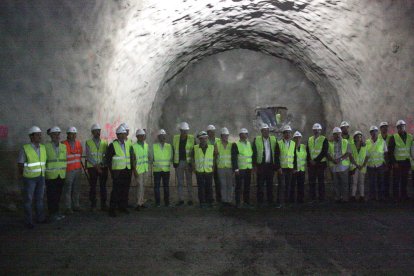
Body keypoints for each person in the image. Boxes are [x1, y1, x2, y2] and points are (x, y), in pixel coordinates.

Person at [17, 126, 47, 229]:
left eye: (40, 134)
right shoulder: (25, 148)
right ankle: (28, 221)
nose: (39, 136)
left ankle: (40, 218)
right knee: (28, 200)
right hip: (29, 179)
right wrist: (24, 175)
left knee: (40, 199)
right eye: (37, 135)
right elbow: (20, 164)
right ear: (31, 137)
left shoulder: (43, 147)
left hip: (41, 177)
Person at [105, 125, 133, 217]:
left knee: (125, 190)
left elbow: (131, 157)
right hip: (117, 172)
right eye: (120, 134)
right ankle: (112, 209)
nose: (122, 136)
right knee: (116, 191)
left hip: (127, 170)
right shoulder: (112, 145)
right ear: (117, 135)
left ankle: (123, 207)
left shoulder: (128, 144)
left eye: (124, 134)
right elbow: (108, 160)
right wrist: (112, 172)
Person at [45, 126, 67, 221]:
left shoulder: (63, 146)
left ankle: (57, 212)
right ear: (50, 135)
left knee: (58, 195)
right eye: (54, 134)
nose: (57, 136)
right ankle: (52, 213)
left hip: (61, 175)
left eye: (58, 134)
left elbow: (64, 160)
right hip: (50, 175)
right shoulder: (46, 147)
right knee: (51, 196)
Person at [85, 123, 108, 211]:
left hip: (103, 167)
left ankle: (103, 204)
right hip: (93, 168)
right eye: (95, 131)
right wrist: (97, 166)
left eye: (99, 131)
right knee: (93, 186)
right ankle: (93, 204)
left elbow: (106, 155)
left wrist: (101, 164)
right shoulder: (88, 142)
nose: (98, 133)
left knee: (103, 186)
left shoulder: (104, 142)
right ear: (92, 132)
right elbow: (89, 156)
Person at [252, 123, 276, 207]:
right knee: (260, 184)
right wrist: (254, 165)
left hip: (270, 166)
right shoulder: (257, 139)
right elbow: (254, 153)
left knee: (270, 184)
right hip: (261, 166)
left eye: (267, 130)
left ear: (269, 131)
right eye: (264, 131)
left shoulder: (273, 139)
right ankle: (260, 201)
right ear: (261, 131)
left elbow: (276, 152)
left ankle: (270, 201)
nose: (266, 132)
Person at [388, 120, 412, 202]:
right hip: (397, 163)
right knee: (396, 180)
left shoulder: (410, 137)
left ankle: (404, 195)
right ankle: (396, 196)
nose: (401, 128)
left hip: (406, 162)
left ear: (405, 127)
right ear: (397, 128)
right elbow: (390, 152)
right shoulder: (393, 137)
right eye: (399, 127)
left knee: (404, 180)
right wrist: (394, 162)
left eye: (403, 126)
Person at [173, 122, 195, 206]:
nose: (185, 132)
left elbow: (195, 151)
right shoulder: (175, 138)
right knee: (180, 182)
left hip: (188, 163)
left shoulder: (192, 138)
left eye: (186, 131)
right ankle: (181, 199)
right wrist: (174, 162)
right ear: (180, 130)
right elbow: (173, 150)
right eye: (183, 131)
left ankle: (190, 199)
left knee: (189, 182)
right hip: (179, 163)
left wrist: (192, 164)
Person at [327, 127, 351, 203]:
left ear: (341, 134)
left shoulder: (346, 142)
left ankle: (345, 198)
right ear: (333, 135)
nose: (337, 135)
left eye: (338, 134)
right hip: (334, 166)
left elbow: (348, 153)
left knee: (344, 183)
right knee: (336, 183)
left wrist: (340, 159)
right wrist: (332, 160)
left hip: (343, 166)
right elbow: (327, 153)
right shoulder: (330, 143)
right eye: (335, 134)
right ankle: (337, 198)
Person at [63, 126, 83, 214]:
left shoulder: (78, 143)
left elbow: (80, 155)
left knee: (76, 188)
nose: (74, 135)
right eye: (72, 134)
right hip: (68, 170)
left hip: (77, 169)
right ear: (68, 134)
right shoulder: (63, 144)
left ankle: (76, 205)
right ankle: (67, 207)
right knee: (68, 189)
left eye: (75, 134)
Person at [275, 125, 297, 205]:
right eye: (286, 133)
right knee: (281, 185)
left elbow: (294, 156)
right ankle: (280, 202)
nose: (287, 134)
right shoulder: (279, 143)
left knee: (288, 185)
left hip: (290, 168)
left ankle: (286, 202)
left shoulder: (293, 144)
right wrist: (278, 167)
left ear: (291, 134)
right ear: (283, 134)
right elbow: (276, 157)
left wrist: (295, 167)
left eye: (289, 133)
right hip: (282, 169)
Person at [307, 123, 329, 202]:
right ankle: (312, 197)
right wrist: (309, 160)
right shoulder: (310, 139)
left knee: (321, 182)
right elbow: (308, 151)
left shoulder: (324, 139)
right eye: (315, 130)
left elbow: (324, 152)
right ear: (313, 130)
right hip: (312, 164)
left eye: (318, 130)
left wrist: (315, 161)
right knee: (311, 182)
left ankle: (321, 198)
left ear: (320, 130)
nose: (316, 131)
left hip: (320, 164)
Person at [232, 128, 253, 208]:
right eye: (242, 134)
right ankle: (238, 202)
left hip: (248, 168)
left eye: (245, 134)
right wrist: (236, 168)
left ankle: (246, 202)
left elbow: (250, 155)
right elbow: (234, 158)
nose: (244, 135)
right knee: (239, 186)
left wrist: (252, 166)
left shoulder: (249, 144)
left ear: (247, 135)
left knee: (247, 186)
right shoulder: (236, 144)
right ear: (240, 135)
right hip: (240, 169)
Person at [192, 131, 214, 208]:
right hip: (199, 171)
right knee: (201, 187)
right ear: (199, 139)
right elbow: (192, 158)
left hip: (208, 170)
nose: (204, 140)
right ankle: (202, 202)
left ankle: (209, 201)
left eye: (205, 138)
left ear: (207, 138)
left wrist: (213, 167)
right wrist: (194, 168)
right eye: (202, 138)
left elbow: (214, 158)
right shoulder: (195, 148)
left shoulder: (212, 147)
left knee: (209, 187)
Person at [151, 129, 172, 207]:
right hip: (157, 170)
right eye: (161, 136)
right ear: (158, 137)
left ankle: (167, 202)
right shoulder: (154, 146)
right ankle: (158, 203)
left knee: (166, 187)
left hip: (166, 170)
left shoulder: (169, 146)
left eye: (164, 136)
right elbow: (152, 157)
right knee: (157, 187)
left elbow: (171, 157)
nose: (163, 137)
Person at [366, 126, 387, 201]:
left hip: (380, 165)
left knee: (380, 181)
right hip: (370, 165)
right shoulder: (367, 142)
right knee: (371, 182)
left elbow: (385, 153)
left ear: (377, 132)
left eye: (375, 131)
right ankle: (372, 196)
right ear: (370, 133)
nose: (374, 133)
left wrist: (385, 163)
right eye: (372, 132)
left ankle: (381, 196)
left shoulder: (382, 141)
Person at [131, 129, 149, 210]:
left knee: (143, 186)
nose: (142, 137)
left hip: (145, 169)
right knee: (140, 186)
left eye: (143, 136)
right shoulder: (134, 146)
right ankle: (138, 203)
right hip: (138, 170)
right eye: (140, 136)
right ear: (137, 137)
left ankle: (141, 202)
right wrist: (134, 170)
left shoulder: (146, 145)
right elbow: (133, 159)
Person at [216, 127, 234, 206]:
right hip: (221, 167)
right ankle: (224, 200)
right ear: (221, 136)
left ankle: (229, 200)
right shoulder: (217, 145)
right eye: (224, 135)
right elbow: (215, 154)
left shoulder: (231, 145)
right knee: (223, 185)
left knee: (230, 184)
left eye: (227, 135)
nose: (226, 137)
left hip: (229, 167)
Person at [349, 131, 367, 202]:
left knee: (361, 182)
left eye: (360, 137)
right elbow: (350, 157)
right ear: (354, 138)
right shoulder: (351, 146)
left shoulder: (365, 146)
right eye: (357, 137)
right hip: (354, 167)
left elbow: (367, 156)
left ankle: (362, 196)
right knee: (354, 182)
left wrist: (362, 165)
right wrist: (357, 165)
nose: (359, 138)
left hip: (362, 167)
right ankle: (353, 196)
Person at [207, 124, 221, 203]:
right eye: (210, 132)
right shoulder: (206, 141)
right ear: (208, 132)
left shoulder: (218, 140)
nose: (212, 133)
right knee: (209, 183)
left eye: (213, 132)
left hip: (218, 164)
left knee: (218, 183)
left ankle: (219, 198)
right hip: (209, 165)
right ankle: (210, 199)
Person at [292, 131, 306, 203]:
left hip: (302, 170)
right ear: (294, 139)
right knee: (293, 185)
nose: (297, 139)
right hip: (294, 170)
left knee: (301, 186)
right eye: (296, 138)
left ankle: (301, 199)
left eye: (299, 138)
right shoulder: (291, 147)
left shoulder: (304, 147)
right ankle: (292, 199)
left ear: (301, 138)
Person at [379, 121, 392, 200]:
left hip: (388, 161)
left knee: (387, 178)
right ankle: (380, 194)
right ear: (380, 129)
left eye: (386, 127)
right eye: (383, 127)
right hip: (380, 162)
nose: (385, 128)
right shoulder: (378, 138)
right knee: (380, 179)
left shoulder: (391, 137)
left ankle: (387, 194)